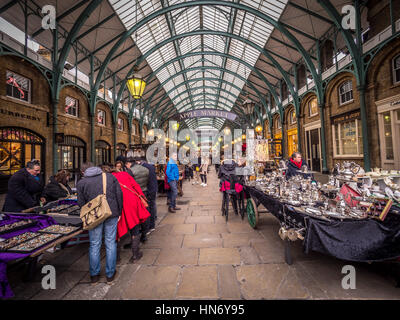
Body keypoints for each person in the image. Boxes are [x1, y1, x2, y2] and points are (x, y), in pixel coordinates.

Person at [76, 162, 123, 285]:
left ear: (83, 172)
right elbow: (119, 194)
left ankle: (94, 276)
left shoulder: (81, 183)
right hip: (111, 212)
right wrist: (119, 211)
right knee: (110, 243)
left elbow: (81, 203)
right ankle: (110, 275)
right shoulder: (109, 176)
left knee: (94, 244)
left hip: (94, 216)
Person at [110, 168, 150, 263]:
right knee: (135, 227)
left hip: (117, 205)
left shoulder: (107, 178)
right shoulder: (124, 174)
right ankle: (135, 255)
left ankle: (116, 258)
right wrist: (142, 196)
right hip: (131, 202)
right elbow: (135, 185)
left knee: (117, 231)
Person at [139, 157, 158, 234]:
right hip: (153, 190)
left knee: (149, 207)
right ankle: (151, 225)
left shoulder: (145, 167)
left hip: (149, 191)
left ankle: (149, 226)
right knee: (152, 206)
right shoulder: (151, 167)